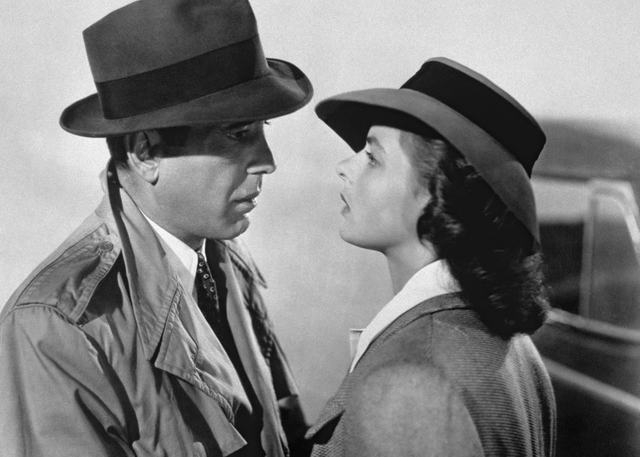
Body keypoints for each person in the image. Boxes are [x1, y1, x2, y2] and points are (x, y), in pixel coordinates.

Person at [0, 0, 313, 456]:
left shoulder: (225, 264)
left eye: (262, 129)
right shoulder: (58, 327)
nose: (267, 161)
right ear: (145, 153)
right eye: (237, 132)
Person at [306, 57, 556, 456]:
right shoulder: (515, 347)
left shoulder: (412, 377)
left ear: (438, 193)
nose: (343, 167)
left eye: (372, 157)